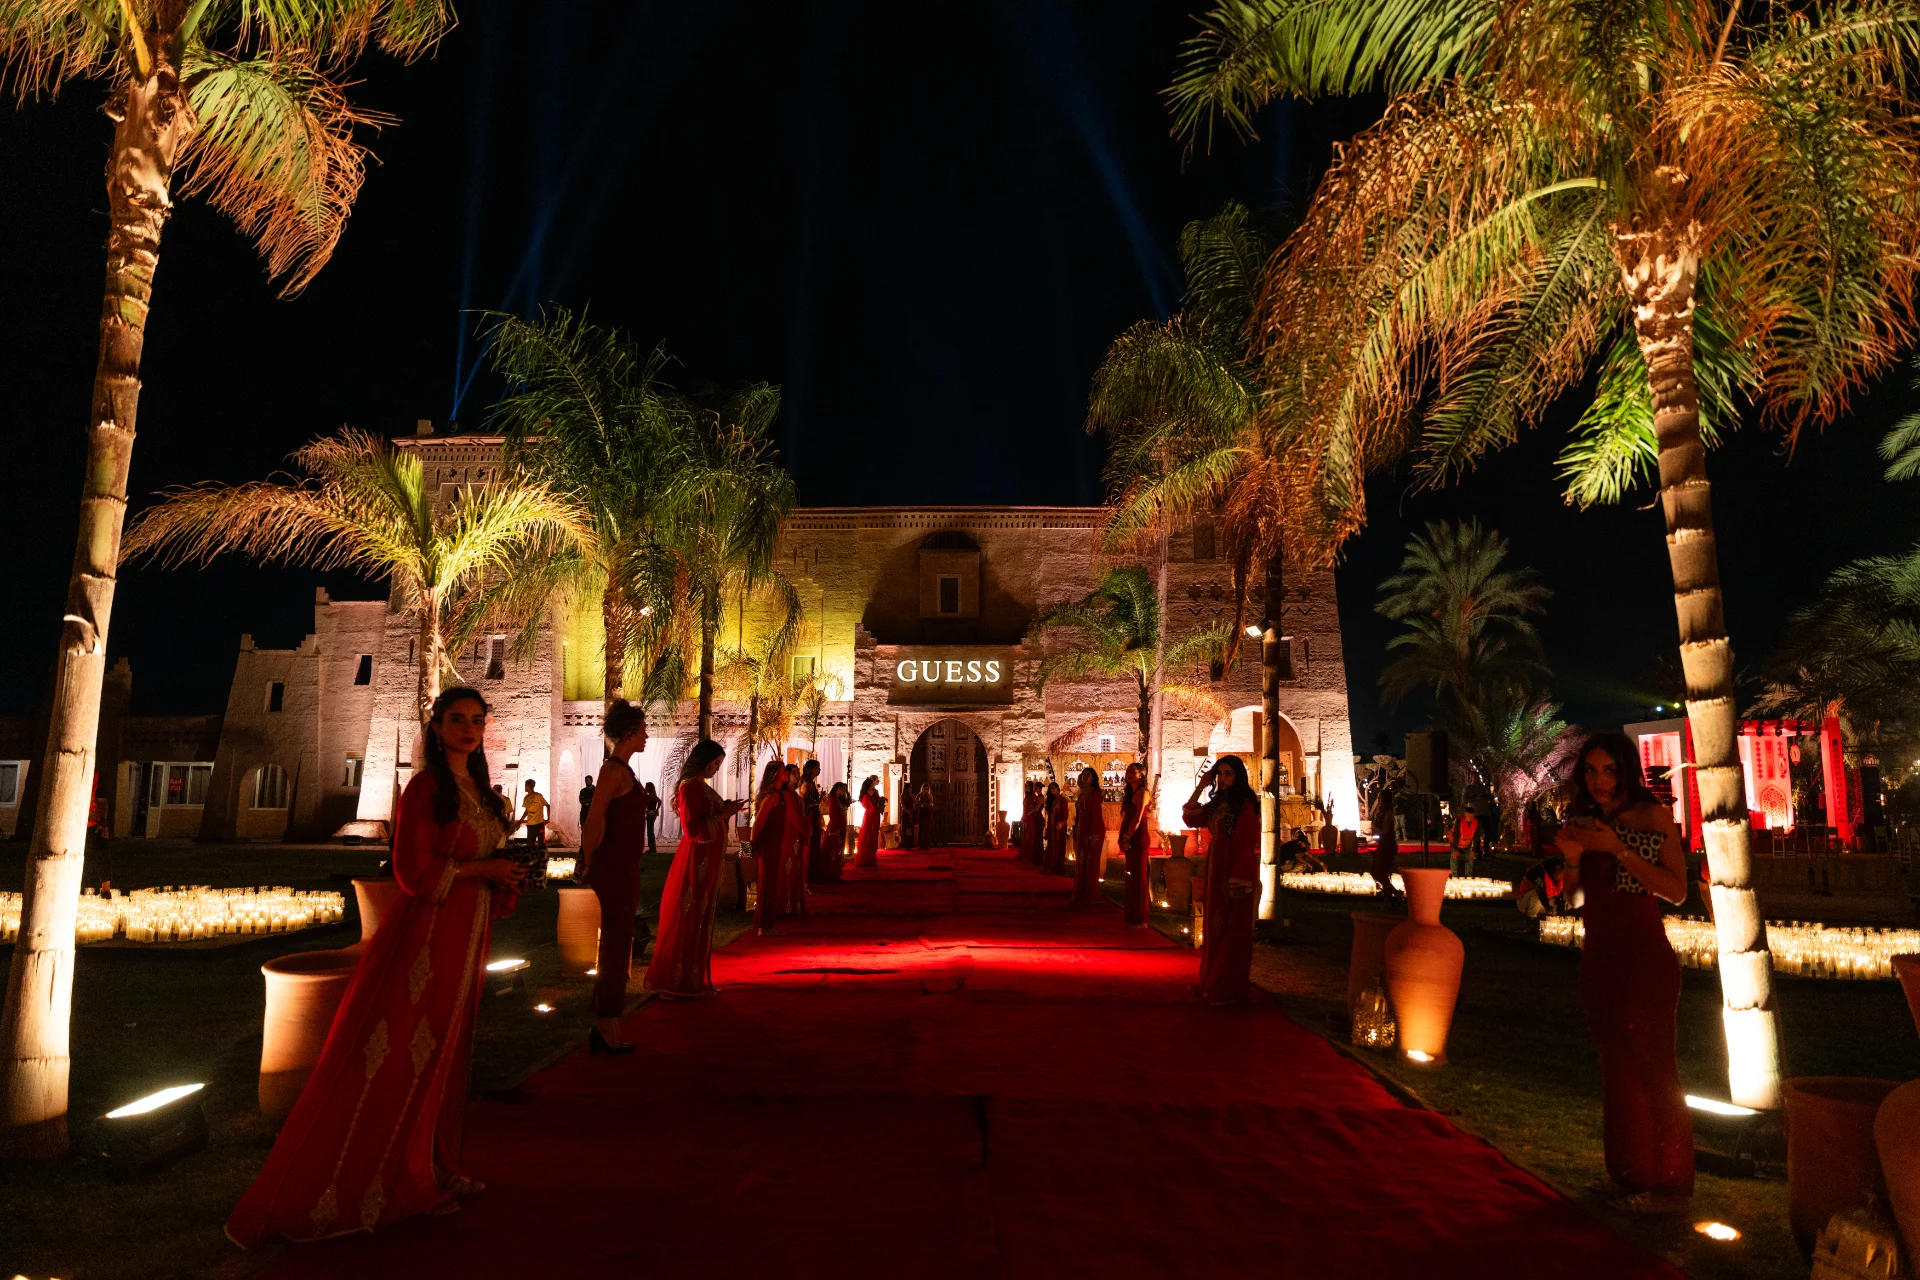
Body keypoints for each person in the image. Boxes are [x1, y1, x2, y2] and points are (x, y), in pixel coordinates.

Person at [227, 688, 525, 1246]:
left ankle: (435, 1164)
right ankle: (397, 1179)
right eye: (456, 719)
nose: (468, 729)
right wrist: (481, 868)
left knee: (446, 1053)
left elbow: (482, 859)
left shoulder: (481, 793)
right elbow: (412, 870)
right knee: (408, 1051)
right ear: (436, 727)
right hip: (428, 938)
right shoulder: (425, 789)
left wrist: (504, 872)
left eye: (476, 720)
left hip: (468, 935)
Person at [1554, 732, 1693, 1215]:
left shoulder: (1649, 817)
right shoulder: (1583, 821)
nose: (1600, 780)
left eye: (1609, 770)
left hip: (1642, 958)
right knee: (1616, 1068)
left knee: (1654, 1067)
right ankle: (1629, 1174)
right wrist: (1574, 859)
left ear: (1626, 771)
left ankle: (1671, 1186)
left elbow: (1677, 891)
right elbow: (1575, 901)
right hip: (1599, 958)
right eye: (1591, 771)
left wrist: (1616, 849)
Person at [576, 701, 654, 1054]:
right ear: (629, 733)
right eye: (642, 731)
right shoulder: (612, 771)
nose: (646, 736)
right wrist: (588, 862)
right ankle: (605, 1022)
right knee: (614, 945)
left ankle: (610, 1020)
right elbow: (594, 820)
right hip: (613, 868)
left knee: (621, 944)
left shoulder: (625, 772)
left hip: (626, 868)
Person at [645, 739, 739, 999]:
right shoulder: (690, 787)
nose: (717, 768)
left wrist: (725, 810)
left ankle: (692, 979)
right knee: (688, 915)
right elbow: (692, 829)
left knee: (699, 916)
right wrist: (723, 815)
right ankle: (678, 982)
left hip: (705, 863)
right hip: (696, 863)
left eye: (719, 764)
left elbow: (707, 817)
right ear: (704, 760)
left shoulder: (700, 786)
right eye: (715, 763)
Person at [1183, 754, 1260, 1006]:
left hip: (1234, 867)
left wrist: (1238, 878)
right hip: (1216, 865)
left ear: (1238, 776)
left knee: (1232, 925)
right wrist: (1201, 786)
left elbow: (1246, 840)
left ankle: (1227, 985)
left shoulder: (1244, 804)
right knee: (1215, 923)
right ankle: (1211, 979)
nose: (1224, 779)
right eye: (1220, 774)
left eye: (1229, 773)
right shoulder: (1217, 803)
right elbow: (1190, 816)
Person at [751, 760, 790, 934]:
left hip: (775, 842)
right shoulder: (772, 797)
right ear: (775, 774)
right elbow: (758, 823)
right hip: (768, 844)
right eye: (784, 771)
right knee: (767, 882)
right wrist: (751, 846)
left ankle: (767, 923)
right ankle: (763, 925)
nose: (787, 773)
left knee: (772, 882)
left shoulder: (779, 795)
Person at [1069, 767, 1107, 906]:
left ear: (1093, 778)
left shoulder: (1095, 794)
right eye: (1083, 774)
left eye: (1088, 775)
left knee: (1091, 861)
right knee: (1081, 860)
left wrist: (1093, 835)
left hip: (1092, 830)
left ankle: (1091, 894)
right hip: (1082, 829)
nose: (1085, 776)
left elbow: (1096, 815)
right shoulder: (1082, 794)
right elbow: (1079, 814)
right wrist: (1076, 829)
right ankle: (1081, 891)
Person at [1119, 763, 1151, 925]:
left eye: (1133, 772)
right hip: (1129, 835)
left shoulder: (1143, 792)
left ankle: (1140, 918)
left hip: (1137, 837)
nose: (1130, 774)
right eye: (1128, 772)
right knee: (1130, 876)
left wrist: (1126, 838)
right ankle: (1131, 915)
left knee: (1138, 878)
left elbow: (1137, 819)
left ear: (1141, 774)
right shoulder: (1130, 792)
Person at [780, 762, 810, 916]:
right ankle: (786, 904)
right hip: (790, 833)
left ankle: (794, 903)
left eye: (798, 772)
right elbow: (794, 816)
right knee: (789, 865)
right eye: (793, 772)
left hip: (797, 833)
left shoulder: (794, 794)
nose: (797, 775)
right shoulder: (786, 794)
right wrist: (806, 830)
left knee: (796, 866)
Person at [801, 761, 830, 882]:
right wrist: (818, 801)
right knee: (812, 845)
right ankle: (810, 874)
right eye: (817, 767)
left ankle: (814, 872)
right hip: (809, 817)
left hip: (814, 816)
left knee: (815, 844)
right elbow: (805, 803)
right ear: (811, 769)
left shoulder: (811, 783)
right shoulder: (807, 783)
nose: (819, 770)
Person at [821, 780, 851, 882]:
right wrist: (836, 829)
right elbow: (833, 815)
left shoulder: (838, 799)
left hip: (840, 827)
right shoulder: (832, 799)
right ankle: (830, 873)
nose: (844, 791)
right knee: (833, 850)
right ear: (838, 789)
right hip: (835, 828)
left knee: (838, 849)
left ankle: (836, 873)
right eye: (843, 789)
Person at [853, 776, 883, 868]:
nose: (872, 786)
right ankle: (866, 859)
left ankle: (871, 858)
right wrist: (878, 804)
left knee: (873, 837)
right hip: (870, 818)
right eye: (871, 785)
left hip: (874, 816)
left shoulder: (873, 793)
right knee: (868, 837)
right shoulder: (866, 796)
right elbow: (872, 808)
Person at [1042, 781, 1069, 875]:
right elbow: (1049, 816)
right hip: (1052, 827)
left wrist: (1061, 824)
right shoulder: (1051, 801)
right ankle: (1051, 866)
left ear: (1058, 788)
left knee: (1059, 846)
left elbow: (1065, 815)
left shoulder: (1063, 800)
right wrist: (1047, 827)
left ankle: (1058, 867)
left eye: (1054, 787)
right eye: (1050, 788)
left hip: (1059, 827)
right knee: (1051, 846)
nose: (1052, 789)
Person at [520, 779, 549, 853]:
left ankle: (542, 858)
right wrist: (520, 820)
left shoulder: (538, 796)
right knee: (530, 844)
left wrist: (548, 818)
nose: (525, 787)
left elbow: (547, 806)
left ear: (528, 786)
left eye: (525, 786)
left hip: (539, 823)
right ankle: (531, 858)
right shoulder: (526, 798)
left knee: (541, 843)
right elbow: (526, 811)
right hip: (530, 824)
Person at [914, 781, 936, 850]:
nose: (925, 790)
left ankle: (926, 844)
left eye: (926, 789)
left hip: (927, 812)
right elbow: (915, 802)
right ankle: (920, 844)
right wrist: (918, 803)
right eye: (924, 789)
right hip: (921, 812)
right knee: (920, 828)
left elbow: (931, 803)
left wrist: (929, 805)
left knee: (926, 828)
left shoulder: (930, 796)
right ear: (922, 788)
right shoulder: (919, 795)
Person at [642, 782, 661, 855]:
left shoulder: (651, 795)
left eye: (646, 787)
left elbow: (659, 801)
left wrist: (656, 809)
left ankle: (652, 849)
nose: (645, 788)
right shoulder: (651, 795)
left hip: (651, 814)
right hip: (651, 814)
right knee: (650, 831)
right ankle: (652, 848)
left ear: (649, 788)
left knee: (650, 832)